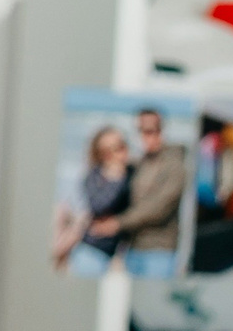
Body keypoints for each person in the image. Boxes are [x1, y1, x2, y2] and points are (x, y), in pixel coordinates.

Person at [109, 109, 192, 277]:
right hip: (132, 249)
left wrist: (117, 223)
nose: (146, 135)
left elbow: (158, 208)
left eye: (151, 130)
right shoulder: (139, 163)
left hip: (159, 251)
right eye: (141, 130)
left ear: (161, 129)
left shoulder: (175, 163)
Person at [56, 127, 131, 275]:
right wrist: (116, 178)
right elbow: (98, 206)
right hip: (91, 248)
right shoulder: (95, 175)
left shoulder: (131, 172)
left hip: (116, 251)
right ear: (102, 154)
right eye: (110, 150)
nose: (118, 153)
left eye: (121, 146)